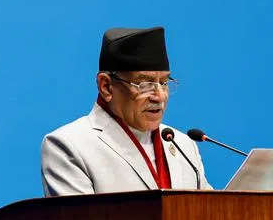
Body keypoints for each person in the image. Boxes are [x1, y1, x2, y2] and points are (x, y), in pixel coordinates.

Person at [40, 26, 212, 196]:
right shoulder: (69, 145)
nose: (159, 96)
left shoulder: (183, 145)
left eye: (164, 83)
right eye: (145, 84)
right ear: (106, 86)